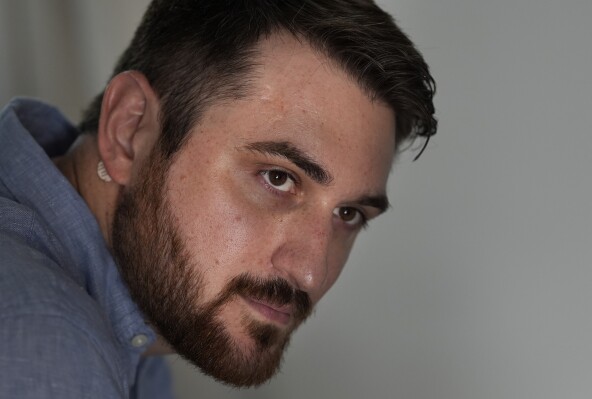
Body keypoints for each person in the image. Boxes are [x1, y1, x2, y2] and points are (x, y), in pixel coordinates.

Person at [0, 0, 436, 397]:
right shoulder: (50, 341)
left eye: (348, 213)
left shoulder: (143, 318)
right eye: (278, 178)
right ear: (129, 130)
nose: (310, 272)